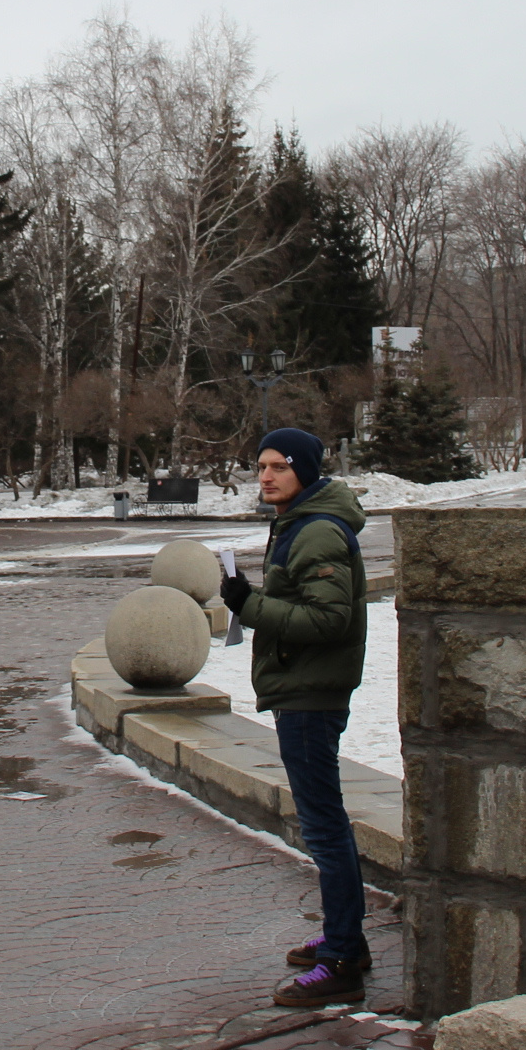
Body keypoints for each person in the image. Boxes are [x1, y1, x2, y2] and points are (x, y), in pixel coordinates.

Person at [216, 426, 371, 1008]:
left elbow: (329, 622)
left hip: (311, 695)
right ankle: (345, 940)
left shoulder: (318, 532)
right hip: (304, 689)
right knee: (327, 824)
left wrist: (249, 605)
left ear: (304, 470)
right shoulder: (300, 526)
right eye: (260, 467)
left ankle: (341, 960)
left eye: (278, 466)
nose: (266, 476)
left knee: (325, 828)